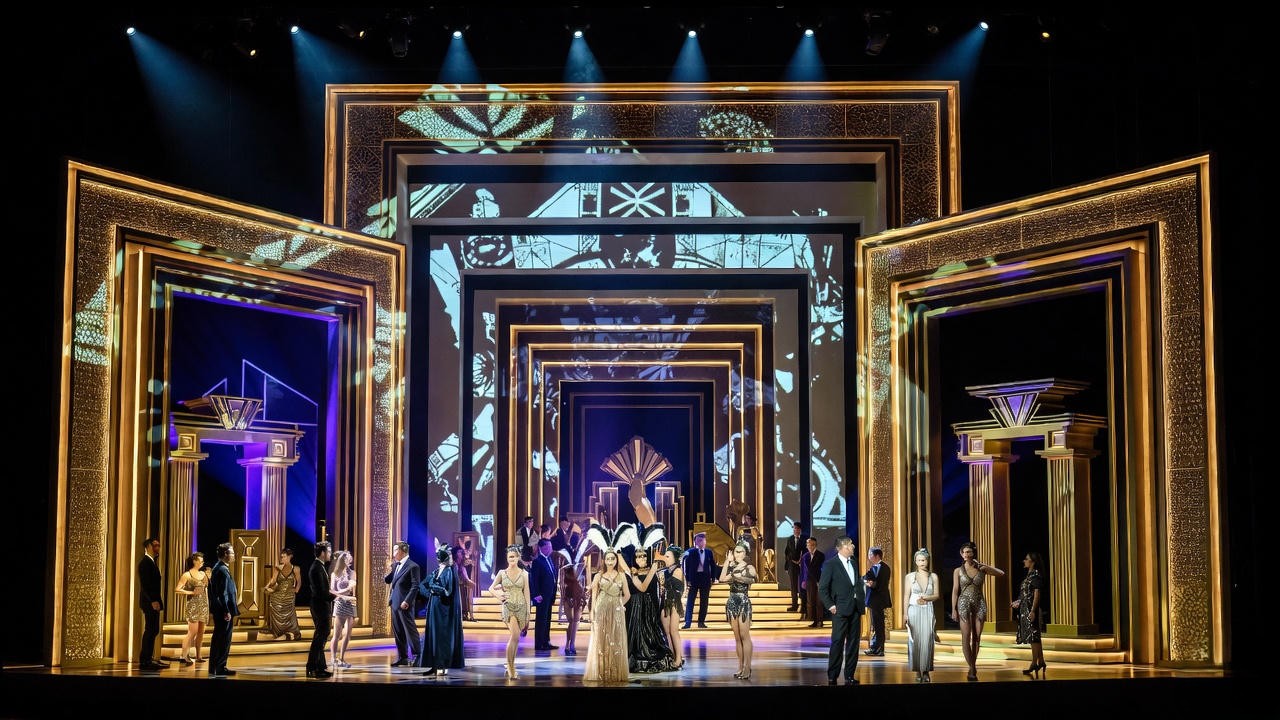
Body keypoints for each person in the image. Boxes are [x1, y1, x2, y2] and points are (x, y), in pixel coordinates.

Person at [949, 540, 1005, 681]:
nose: (967, 554)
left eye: (970, 552)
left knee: (977, 637)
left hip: (979, 603)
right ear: (961, 554)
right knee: (966, 637)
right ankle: (972, 667)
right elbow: (955, 591)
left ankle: (973, 665)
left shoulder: (982, 569)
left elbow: (1001, 573)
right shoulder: (957, 571)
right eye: (965, 552)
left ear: (973, 553)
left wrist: (985, 565)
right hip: (963, 604)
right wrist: (953, 609)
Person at [818, 535, 864, 685]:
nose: (853, 547)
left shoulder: (854, 563)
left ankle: (849, 675)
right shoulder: (831, 564)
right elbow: (823, 588)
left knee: (853, 644)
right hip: (839, 610)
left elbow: (854, 584)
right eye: (851, 545)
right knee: (837, 642)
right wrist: (831, 605)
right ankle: (833, 676)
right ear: (842, 547)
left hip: (855, 608)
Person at [583, 548, 630, 684]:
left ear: (616, 560)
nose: (610, 562)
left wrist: (620, 604)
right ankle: (601, 671)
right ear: (604, 561)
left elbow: (627, 595)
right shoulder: (598, 576)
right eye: (608, 559)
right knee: (601, 639)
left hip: (616, 610)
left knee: (615, 639)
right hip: (601, 609)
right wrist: (592, 613)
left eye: (613, 559)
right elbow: (594, 595)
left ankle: (614, 671)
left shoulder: (621, 576)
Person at [624, 547, 674, 672]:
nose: (642, 559)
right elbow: (642, 587)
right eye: (638, 556)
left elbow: (656, 590)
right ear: (634, 558)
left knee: (652, 636)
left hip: (649, 607)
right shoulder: (632, 571)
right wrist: (651, 571)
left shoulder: (654, 569)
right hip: (635, 608)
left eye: (644, 556)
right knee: (636, 636)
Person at [420, 545, 465, 676]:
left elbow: (447, 591)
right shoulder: (437, 570)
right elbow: (424, 584)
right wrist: (429, 591)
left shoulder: (449, 571)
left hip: (442, 609)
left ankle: (442, 665)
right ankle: (433, 665)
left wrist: (434, 587)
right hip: (434, 606)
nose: (439, 558)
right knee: (433, 635)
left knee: (441, 637)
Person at [489, 544, 530, 679]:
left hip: (522, 607)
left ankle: (510, 664)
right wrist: (499, 596)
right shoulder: (502, 573)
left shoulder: (524, 574)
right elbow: (491, 588)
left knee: (516, 639)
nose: (511, 559)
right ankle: (511, 667)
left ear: (518, 557)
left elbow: (527, 594)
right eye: (509, 557)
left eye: (514, 556)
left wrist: (528, 614)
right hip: (508, 607)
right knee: (515, 635)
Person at [719, 542, 758, 679]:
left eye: (741, 552)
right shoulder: (732, 567)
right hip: (732, 602)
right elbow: (722, 579)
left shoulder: (749, 567)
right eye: (736, 552)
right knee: (737, 638)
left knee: (744, 636)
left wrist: (737, 576)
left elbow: (753, 580)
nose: (738, 554)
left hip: (743, 602)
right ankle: (740, 667)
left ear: (745, 554)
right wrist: (726, 562)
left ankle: (748, 667)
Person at [902, 547, 940, 682]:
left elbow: (936, 595)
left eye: (923, 560)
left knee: (928, 640)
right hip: (914, 610)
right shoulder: (910, 577)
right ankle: (918, 670)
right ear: (915, 561)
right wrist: (904, 614)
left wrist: (926, 597)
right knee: (915, 640)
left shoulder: (933, 576)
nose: (921, 562)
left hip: (928, 609)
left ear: (928, 560)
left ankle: (926, 671)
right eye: (918, 560)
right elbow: (906, 596)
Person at [384, 540, 421, 667]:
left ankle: (417, 655)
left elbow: (415, 586)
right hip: (394, 602)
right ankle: (403, 657)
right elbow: (388, 580)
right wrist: (389, 568)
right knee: (398, 631)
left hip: (405, 604)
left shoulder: (413, 566)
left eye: (395, 550)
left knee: (410, 630)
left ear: (403, 551)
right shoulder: (396, 565)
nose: (393, 553)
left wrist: (407, 601)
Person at [136, 536, 169, 670]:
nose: (157, 548)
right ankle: (145, 661)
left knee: (153, 630)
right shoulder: (145, 562)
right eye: (155, 545)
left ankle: (148, 658)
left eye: (158, 545)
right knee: (150, 630)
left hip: (153, 602)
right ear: (148, 546)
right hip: (150, 602)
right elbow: (145, 585)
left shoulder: (152, 562)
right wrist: (153, 601)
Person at [1012, 551, 1047, 677]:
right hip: (1025, 609)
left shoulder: (1036, 576)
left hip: (1031, 610)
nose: (1024, 561)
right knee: (1035, 636)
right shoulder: (1029, 576)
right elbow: (1026, 594)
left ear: (1032, 562)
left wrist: (1033, 610)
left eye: (1026, 559)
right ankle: (1041, 661)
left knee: (1034, 637)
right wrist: (1018, 602)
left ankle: (1034, 663)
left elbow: (1037, 594)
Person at [207, 542, 239, 677]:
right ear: (225, 554)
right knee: (223, 639)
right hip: (223, 611)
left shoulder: (219, 568)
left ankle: (214, 667)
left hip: (220, 610)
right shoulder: (221, 570)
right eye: (232, 553)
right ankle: (220, 666)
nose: (234, 555)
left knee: (219, 638)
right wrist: (226, 610)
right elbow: (222, 593)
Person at [174, 551, 209, 665]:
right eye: (200, 560)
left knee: (201, 632)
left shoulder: (203, 574)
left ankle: (198, 655)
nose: (202, 561)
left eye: (203, 560)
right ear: (194, 561)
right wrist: (190, 592)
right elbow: (177, 589)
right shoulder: (187, 575)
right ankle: (183, 655)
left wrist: (207, 604)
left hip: (203, 605)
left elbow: (206, 590)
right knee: (192, 632)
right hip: (193, 606)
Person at [307, 541, 335, 678]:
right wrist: (337, 595)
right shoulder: (317, 567)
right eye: (329, 551)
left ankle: (320, 666)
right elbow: (322, 593)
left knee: (321, 637)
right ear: (323, 553)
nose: (330, 554)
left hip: (320, 605)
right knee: (320, 637)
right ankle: (312, 667)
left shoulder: (319, 566)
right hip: (320, 606)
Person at [263, 548, 302, 641]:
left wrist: (296, 590)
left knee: (289, 615)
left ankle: (290, 632)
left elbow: (299, 581)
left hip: (289, 595)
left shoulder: (296, 568)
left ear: (290, 557)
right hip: (278, 594)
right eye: (281, 557)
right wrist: (267, 586)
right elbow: (273, 580)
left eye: (284, 556)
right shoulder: (278, 567)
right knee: (273, 604)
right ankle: (278, 632)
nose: (282, 558)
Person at [681, 532, 719, 628]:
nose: (701, 542)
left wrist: (713, 578)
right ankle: (688, 622)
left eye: (703, 540)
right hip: (694, 579)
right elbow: (686, 566)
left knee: (704, 601)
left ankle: (701, 622)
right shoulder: (690, 552)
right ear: (695, 542)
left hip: (705, 579)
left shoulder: (709, 552)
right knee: (690, 601)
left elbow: (713, 566)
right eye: (699, 540)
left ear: (705, 542)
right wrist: (687, 579)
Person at [657, 546, 686, 669]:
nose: (665, 558)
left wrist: (660, 576)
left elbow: (670, 584)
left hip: (674, 603)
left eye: (667, 556)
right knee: (667, 633)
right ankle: (671, 656)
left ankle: (679, 658)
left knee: (674, 631)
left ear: (675, 558)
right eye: (665, 555)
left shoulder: (678, 570)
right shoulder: (665, 570)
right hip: (665, 602)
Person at [529, 538, 559, 652]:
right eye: (549, 547)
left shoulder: (549, 559)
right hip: (542, 596)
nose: (551, 549)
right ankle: (539, 643)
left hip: (550, 594)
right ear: (543, 547)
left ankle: (546, 641)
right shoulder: (538, 561)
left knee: (547, 619)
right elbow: (534, 580)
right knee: (541, 619)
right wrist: (536, 594)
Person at [329, 550, 357, 669]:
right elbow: (331, 591)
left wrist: (342, 594)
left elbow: (352, 588)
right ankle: (333, 658)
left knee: (347, 634)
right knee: (337, 634)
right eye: (347, 559)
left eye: (349, 559)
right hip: (340, 604)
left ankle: (342, 658)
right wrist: (343, 595)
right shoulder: (335, 574)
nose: (349, 560)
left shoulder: (352, 573)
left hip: (351, 604)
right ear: (342, 560)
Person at [558, 546, 588, 656]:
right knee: (571, 621)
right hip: (568, 596)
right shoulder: (564, 568)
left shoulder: (581, 565)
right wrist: (563, 599)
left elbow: (583, 581)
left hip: (578, 595)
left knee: (576, 621)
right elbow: (562, 585)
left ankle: (572, 644)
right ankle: (568, 643)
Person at [863, 545, 892, 656]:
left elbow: (872, 583)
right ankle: (878, 648)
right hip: (881, 600)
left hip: (875, 600)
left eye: (870, 554)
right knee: (879, 625)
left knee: (877, 625)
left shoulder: (876, 567)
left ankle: (877, 648)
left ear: (876, 556)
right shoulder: (886, 567)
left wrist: (865, 582)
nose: (869, 557)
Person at [801, 537, 825, 626]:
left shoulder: (820, 555)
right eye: (807, 544)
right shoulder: (805, 556)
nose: (809, 546)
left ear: (814, 545)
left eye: (810, 544)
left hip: (819, 580)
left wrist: (818, 581)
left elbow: (815, 568)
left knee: (819, 602)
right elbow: (803, 570)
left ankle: (820, 621)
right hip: (809, 581)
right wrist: (803, 580)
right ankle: (814, 621)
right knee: (811, 602)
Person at [784, 522, 806, 613]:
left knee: (803, 586)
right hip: (792, 565)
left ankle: (804, 606)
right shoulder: (790, 539)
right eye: (794, 528)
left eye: (797, 528)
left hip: (802, 565)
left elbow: (806, 551)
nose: (795, 530)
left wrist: (800, 561)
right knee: (793, 586)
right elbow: (787, 552)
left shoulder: (805, 539)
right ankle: (794, 605)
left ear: (800, 530)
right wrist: (787, 565)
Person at [454, 544, 477, 622]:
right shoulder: (454, 564)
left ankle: (465, 615)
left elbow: (465, 575)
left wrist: (469, 582)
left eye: (461, 552)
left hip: (461, 585)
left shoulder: (462, 564)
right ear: (456, 554)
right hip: (456, 587)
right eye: (459, 552)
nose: (461, 553)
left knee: (464, 600)